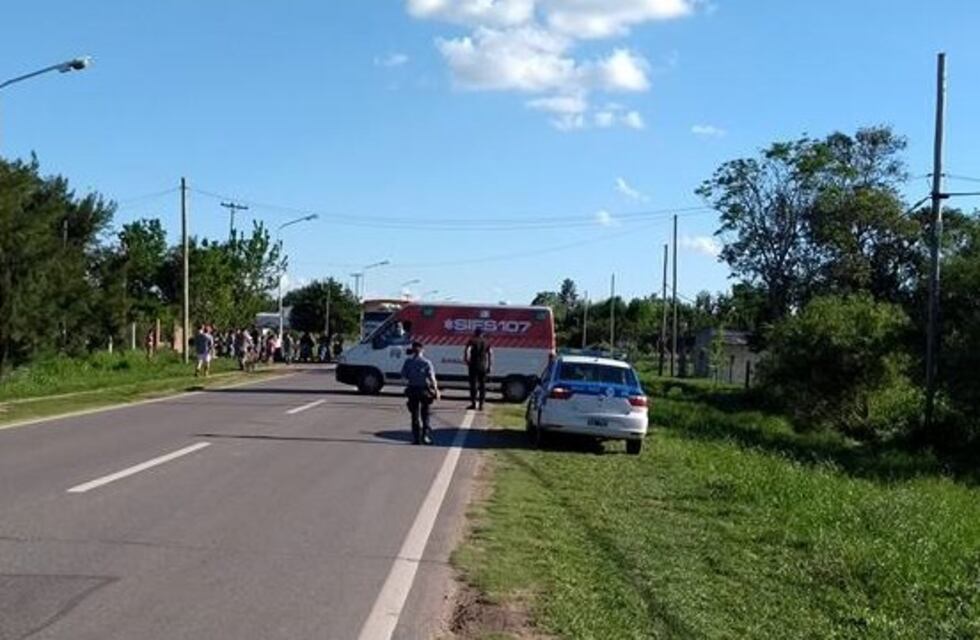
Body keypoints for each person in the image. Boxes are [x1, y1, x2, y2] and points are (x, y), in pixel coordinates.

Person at [401, 341, 440, 445]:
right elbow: (432, 378)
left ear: (413, 351)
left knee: (414, 415)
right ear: (423, 350)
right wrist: (436, 390)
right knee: (425, 414)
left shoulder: (408, 362)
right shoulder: (427, 363)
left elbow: (404, 376)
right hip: (424, 390)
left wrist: (412, 376)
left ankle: (416, 438)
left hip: (412, 389)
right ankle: (425, 436)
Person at [464, 327, 493, 411]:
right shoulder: (487, 342)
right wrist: (490, 365)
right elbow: (490, 353)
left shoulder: (472, 341)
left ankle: (473, 403)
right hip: (483, 366)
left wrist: (466, 359)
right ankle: (481, 404)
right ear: (482, 334)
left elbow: (467, 350)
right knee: (483, 385)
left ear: (475, 333)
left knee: (473, 385)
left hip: (473, 365)